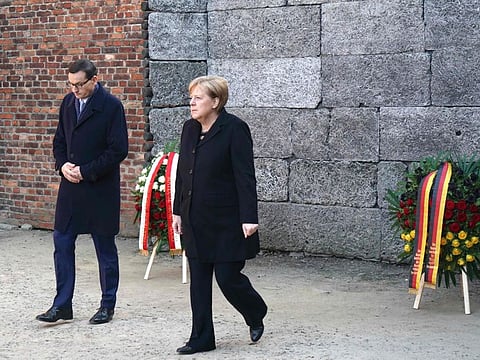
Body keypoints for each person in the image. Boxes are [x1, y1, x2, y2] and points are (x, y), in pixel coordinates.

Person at [172, 75, 268, 355]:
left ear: (216, 101)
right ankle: (201, 337)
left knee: (228, 277)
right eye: (191, 97)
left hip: (226, 220)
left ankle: (255, 310)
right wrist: (177, 210)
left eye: (198, 98)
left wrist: (249, 217)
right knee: (199, 280)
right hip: (194, 217)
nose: (192, 103)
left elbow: (245, 177)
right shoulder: (189, 128)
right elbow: (183, 173)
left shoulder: (234, 129)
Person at [36, 59, 128, 325]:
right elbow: (59, 141)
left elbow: (118, 149)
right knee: (62, 242)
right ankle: (62, 305)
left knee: (104, 247)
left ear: (94, 80)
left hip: (99, 187)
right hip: (70, 187)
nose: (74, 89)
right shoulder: (68, 103)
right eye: (70, 84)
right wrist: (62, 164)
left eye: (79, 84)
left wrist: (86, 171)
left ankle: (107, 305)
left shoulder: (111, 106)